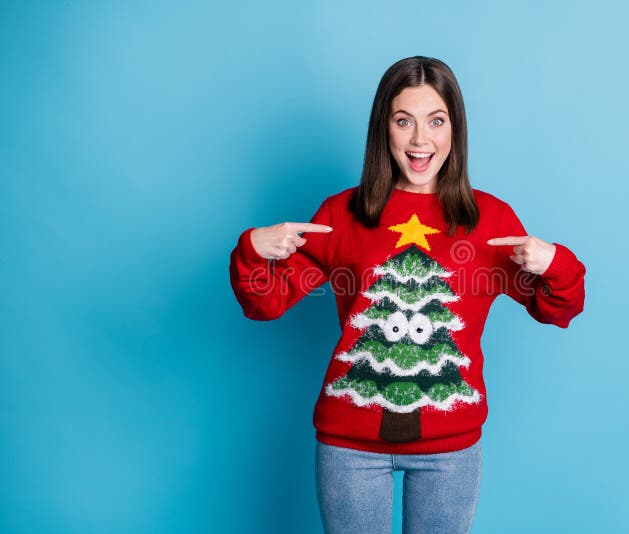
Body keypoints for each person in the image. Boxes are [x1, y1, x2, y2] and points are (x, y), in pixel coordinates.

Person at [229, 56, 586, 534]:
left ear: (455, 130)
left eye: (436, 121)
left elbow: (557, 309)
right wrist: (252, 249)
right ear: (385, 129)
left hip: (450, 449)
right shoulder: (340, 214)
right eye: (404, 121)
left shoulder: (491, 220)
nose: (420, 140)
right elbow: (264, 302)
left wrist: (556, 263)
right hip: (349, 446)